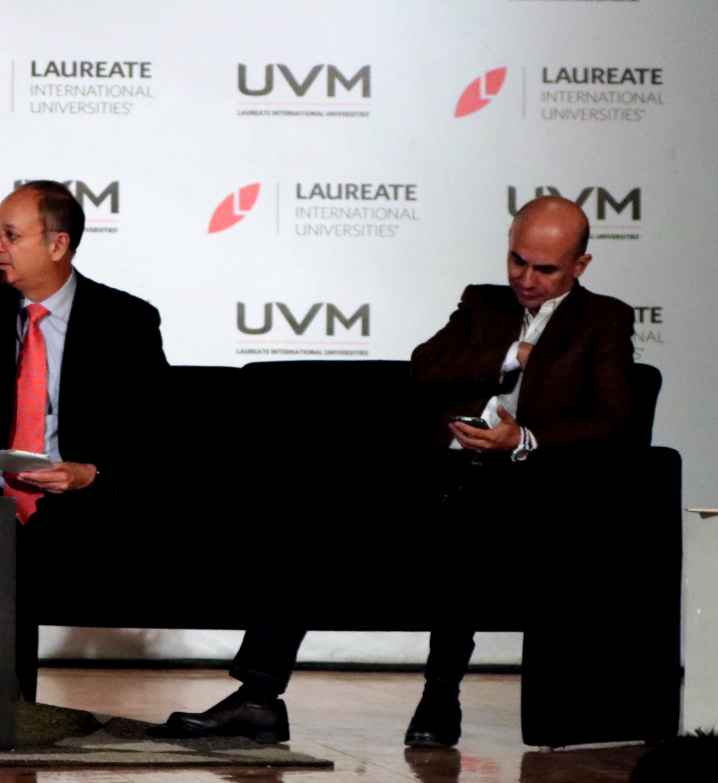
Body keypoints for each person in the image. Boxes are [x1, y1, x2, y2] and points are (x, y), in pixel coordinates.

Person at [152, 195, 634, 747]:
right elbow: (425, 368)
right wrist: (511, 356)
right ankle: (258, 698)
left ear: (580, 265)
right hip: (435, 471)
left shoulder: (604, 320)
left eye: (544, 269)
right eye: (516, 261)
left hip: (519, 482)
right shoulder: (483, 303)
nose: (525, 279)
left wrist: (520, 437)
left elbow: (615, 423)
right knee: (310, 512)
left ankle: (440, 695)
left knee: (469, 525)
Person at [0, 180, 169, 702]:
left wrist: (90, 473)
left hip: (79, 503)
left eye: (11, 235)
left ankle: (8, 707)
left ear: (57, 244)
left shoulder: (124, 322)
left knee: (13, 546)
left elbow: (156, 435)